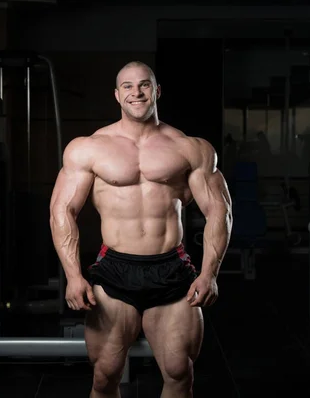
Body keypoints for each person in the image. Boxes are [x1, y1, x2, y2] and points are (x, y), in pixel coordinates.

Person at [49, 61, 233, 398]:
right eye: (128, 87)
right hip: (115, 269)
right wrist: (73, 276)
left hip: (171, 268)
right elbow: (62, 210)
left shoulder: (190, 148)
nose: (137, 92)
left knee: (180, 372)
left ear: (157, 91)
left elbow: (219, 211)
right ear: (117, 95)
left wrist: (209, 273)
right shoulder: (88, 147)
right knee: (105, 375)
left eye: (144, 85)